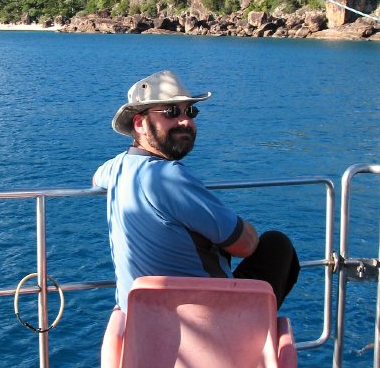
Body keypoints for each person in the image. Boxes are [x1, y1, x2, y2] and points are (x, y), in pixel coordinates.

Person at [92, 69, 299, 311]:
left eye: (190, 111)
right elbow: (246, 245)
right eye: (171, 112)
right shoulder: (168, 177)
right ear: (140, 123)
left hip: (144, 318)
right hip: (203, 320)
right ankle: (251, 340)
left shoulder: (118, 167)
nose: (185, 121)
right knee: (276, 245)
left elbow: (96, 177)